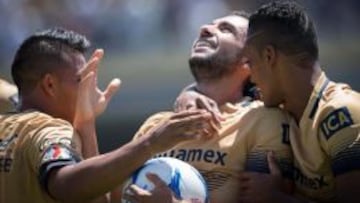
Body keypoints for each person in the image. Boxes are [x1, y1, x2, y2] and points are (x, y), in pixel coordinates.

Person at [0, 27, 216, 203]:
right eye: (81, 80)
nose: (89, 89)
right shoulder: (48, 130)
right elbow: (68, 186)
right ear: (49, 84)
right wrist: (150, 143)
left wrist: (86, 123)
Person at [124, 11, 296, 203]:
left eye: (226, 30)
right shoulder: (155, 125)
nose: (204, 29)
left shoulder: (263, 119)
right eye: (210, 24)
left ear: (248, 61)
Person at [239, 1, 360, 202]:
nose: (250, 78)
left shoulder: (341, 113)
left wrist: (276, 198)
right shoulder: (287, 109)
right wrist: (191, 94)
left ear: (269, 56)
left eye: (250, 63)